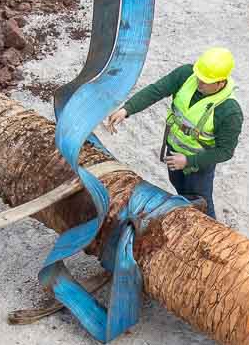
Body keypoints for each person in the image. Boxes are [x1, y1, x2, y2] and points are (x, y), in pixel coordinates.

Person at [101, 46, 241, 219]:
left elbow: (225, 151)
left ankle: (211, 236)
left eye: (205, 81)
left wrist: (189, 161)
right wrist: (127, 110)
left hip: (198, 166)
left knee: (201, 204)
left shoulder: (229, 111)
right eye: (198, 77)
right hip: (174, 152)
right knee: (180, 189)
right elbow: (156, 90)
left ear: (221, 83)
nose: (199, 83)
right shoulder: (186, 75)